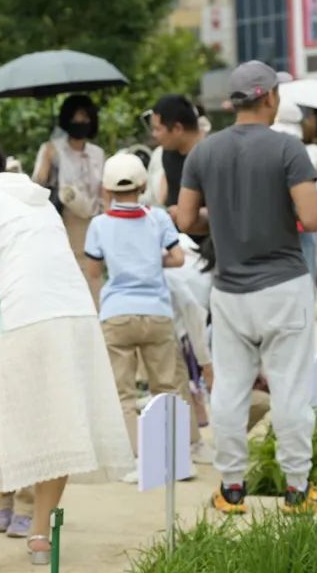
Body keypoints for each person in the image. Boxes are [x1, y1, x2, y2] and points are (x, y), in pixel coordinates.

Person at [0, 129, 133, 572]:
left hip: (24, 321)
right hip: (74, 316)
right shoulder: (36, 197)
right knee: (57, 427)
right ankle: (39, 538)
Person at [176, 60, 317, 516]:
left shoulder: (204, 153)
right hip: (284, 287)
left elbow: (186, 220)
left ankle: (232, 489)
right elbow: (314, 218)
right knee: (290, 391)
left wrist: (220, 216)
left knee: (229, 391)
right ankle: (297, 492)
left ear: (235, 103)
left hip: (229, 293)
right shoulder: (289, 151)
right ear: (270, 99)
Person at [84, 153, 211, 480]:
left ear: (107, 190)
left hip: (116, 314)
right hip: (156, 311)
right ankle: (178, 457)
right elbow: (179, 258)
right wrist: (152, 264)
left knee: (122, 391)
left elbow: (94, 270)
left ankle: (134, 460)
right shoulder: (157, 218)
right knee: (169, 386)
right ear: (142, 185)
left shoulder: (99, 225)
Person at [31, 95, 105, 300]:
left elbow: (103, 190)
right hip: (65, 223)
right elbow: (37, 185)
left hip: (93, 222)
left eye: (85, 118)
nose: (80, 123)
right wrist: (47, 159)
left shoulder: (97, 153)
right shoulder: (52, 149)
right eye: (75, 118)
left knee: (93, 279)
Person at [273, 100, 317, 281]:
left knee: (304, 274)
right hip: (287, 224)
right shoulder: (309, 151)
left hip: (298, 222)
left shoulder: (311, 151)